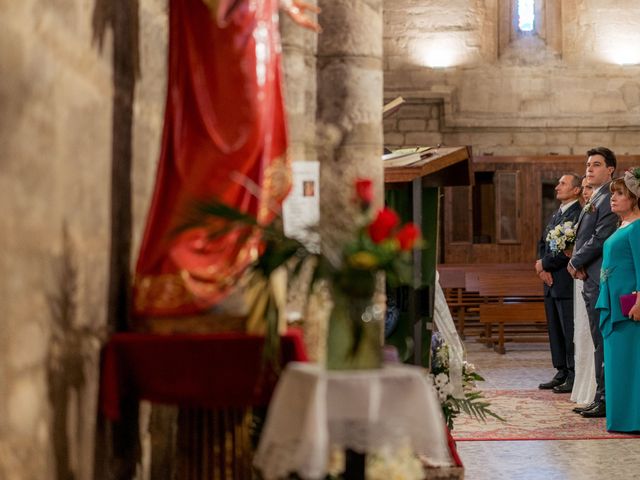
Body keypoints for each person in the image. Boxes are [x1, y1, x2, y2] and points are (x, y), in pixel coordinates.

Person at [568, 147, 618, 418]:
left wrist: (576, 261)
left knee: (602, 340)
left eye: (596, 164)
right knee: (597, 340)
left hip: (599, 277)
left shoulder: (610, 196)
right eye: (588, 164)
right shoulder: (597, 196)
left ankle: (606, 399)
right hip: (590, 276)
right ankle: (600, 396)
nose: (589, 168)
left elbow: (601, 237)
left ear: (610, 169)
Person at [595, 173, 640, 432]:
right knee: (616, 363)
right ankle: (621, 417)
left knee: (630, 363)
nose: (612, 197)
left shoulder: (638, 228)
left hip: (629, 307)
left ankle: (632, 419)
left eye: (620, 193)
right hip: (613, 303)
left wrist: (639, 301)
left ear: (634, 198)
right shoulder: (621, 226)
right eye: (613, 192)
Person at [536, 174, 582, 392]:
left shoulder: (577, 214)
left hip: (564, 280)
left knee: (568, 329)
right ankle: (561, 370)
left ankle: (573, 373)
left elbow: (567, 251)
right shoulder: (556, 214)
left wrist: (544, 264)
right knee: (555, 329)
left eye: (563, 183)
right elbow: (543, 242)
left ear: (576, 190)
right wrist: (542, 267)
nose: (557, 187)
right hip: (550, 280)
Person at [571, 176, 597, 404]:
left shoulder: (602, 204)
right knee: (582, 331)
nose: (586, 192)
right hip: (581, 273)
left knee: (593, 336)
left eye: (589, 187)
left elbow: (597, 240)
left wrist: (576, 261)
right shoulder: (587, 208)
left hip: (589, 273)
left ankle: (596, 390)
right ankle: (583, 386)